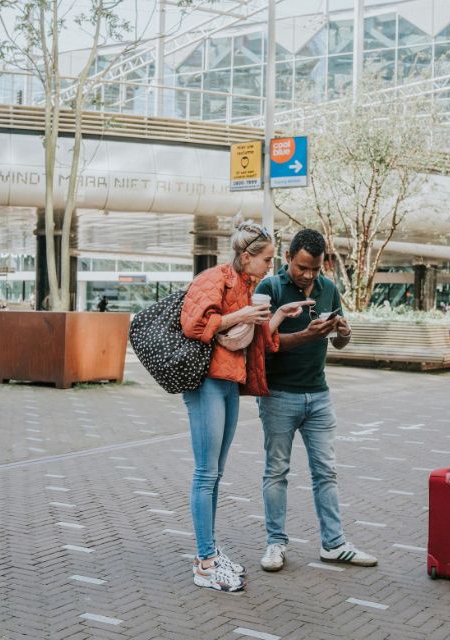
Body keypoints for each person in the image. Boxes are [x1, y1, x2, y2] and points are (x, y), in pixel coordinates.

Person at [180, 222, 311, 593]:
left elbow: (253, 340)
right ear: (247, 256)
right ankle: (204, 562)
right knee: (206, 473)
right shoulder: (214, 278)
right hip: (206, 383)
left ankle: (210, 552)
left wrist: (280, 315)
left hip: (229, 383)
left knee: (217, 473)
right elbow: (193, 325)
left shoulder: (249, 286)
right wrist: (241, 316)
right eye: (267, 259)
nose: (271, 266)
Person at [254, 229, 378, 573]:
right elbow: (262, 344)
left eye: (315, 269)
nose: (309, 276)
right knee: (276, 471)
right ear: (288, 258)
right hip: (279, 395)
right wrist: (304, 336)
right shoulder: (270, 289)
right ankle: (275, 543)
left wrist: (344, 332)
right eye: (302, 268)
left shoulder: (329, 288)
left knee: (327, 471)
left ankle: (334, 544)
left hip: (319, 395)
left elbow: (338, 343)